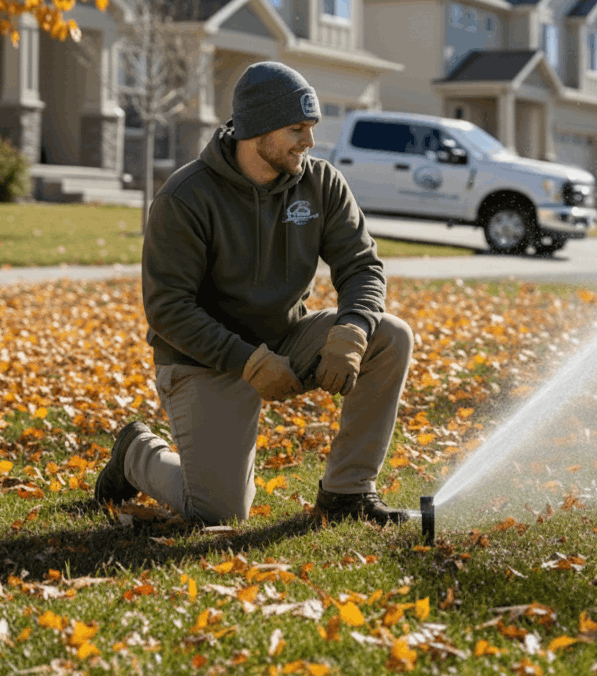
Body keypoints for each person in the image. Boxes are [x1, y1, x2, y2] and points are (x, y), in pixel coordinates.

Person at [93, 61, 414, 527]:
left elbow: (362, 266)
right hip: (202, 360)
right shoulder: (185, 196)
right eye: (296, 129)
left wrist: (352, 329)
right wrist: (248, 362)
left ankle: (348, 493)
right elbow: (168, 309)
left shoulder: (320, 183)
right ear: (257, 130)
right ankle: (136, 454)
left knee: (390, 335)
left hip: (285, 340)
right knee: (218, 512)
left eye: (311, 127)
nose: (309, 141)